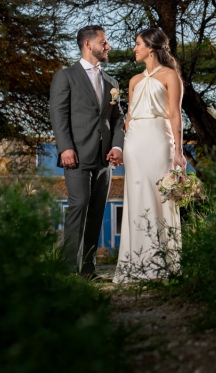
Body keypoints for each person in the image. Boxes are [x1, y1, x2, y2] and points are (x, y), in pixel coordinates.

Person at [49, 25, 125, 279]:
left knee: (96, 212)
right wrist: (65, 147)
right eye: (104, 42)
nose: (108, 47)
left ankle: (88, 270)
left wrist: (116, 146)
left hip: (105, 158)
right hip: (77, 154)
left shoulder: (111, 82)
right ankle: (69, 269)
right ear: (88, 45)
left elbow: (117, 119)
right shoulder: (66, 76)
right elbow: (58, 114)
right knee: (78, 205)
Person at [114, 27, 186, 282]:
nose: (134, 48)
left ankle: (162, 263)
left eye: (137, 43)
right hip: (135, 141)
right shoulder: (134, 80)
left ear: (151, 47)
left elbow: (175, 114)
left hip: (158, 138)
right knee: (136, 196)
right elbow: (130, 117)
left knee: (160, 196)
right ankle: (137, 264)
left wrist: (179, 150)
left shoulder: (170, 76)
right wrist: (122, 145)